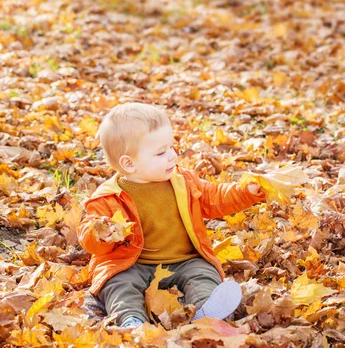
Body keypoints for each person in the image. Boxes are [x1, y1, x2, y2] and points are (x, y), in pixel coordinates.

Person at [77, 102, 265, 328]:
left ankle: (206, 312)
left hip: (184, 260)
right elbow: (89, 237)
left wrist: (246, 192)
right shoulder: (107, 198)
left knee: (203, 275)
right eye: (161, 152)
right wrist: (100, 233)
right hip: (131, 264)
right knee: (118, 285)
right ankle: (130, 319)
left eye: (171, 147)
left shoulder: (183, 182)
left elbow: (215, 197)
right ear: (129, 163)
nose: (172, 156)